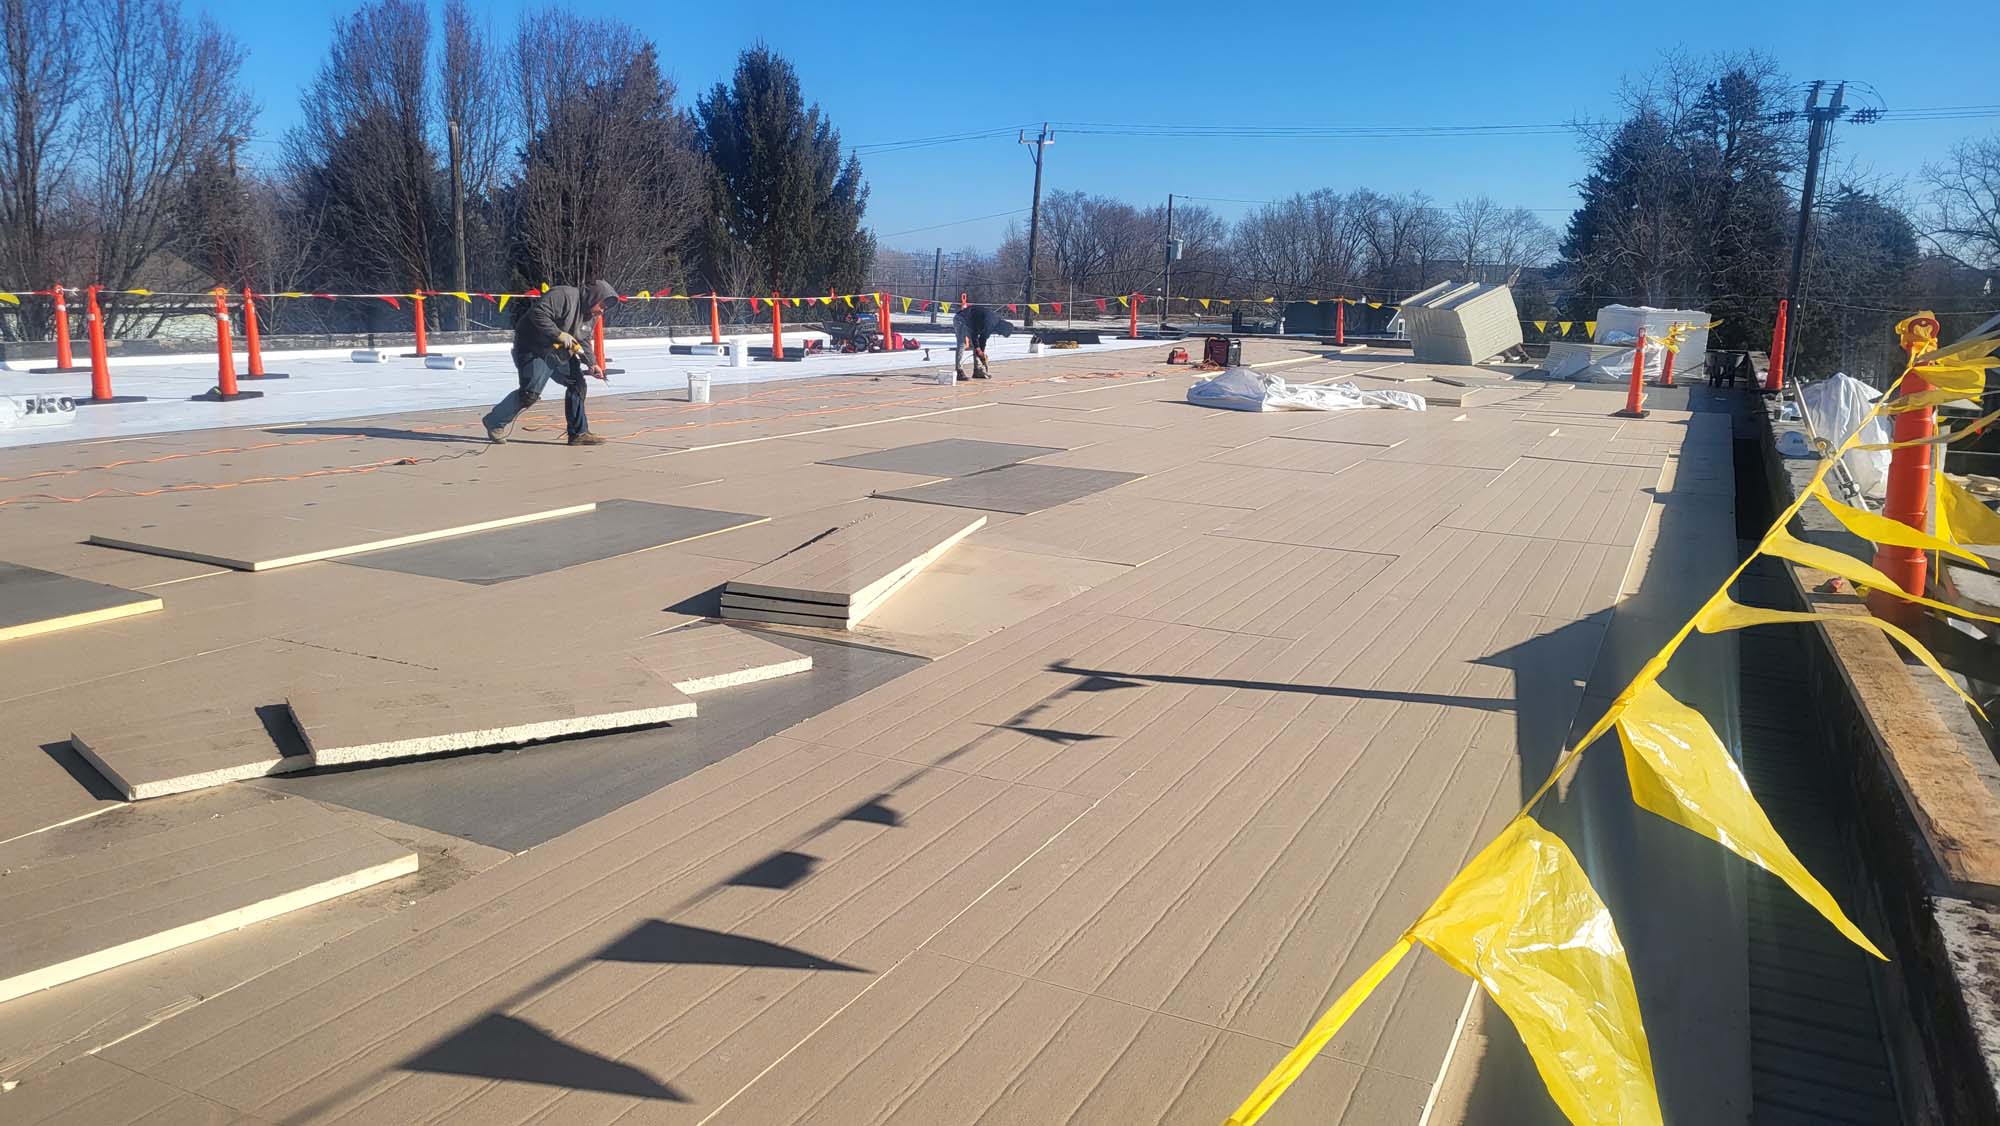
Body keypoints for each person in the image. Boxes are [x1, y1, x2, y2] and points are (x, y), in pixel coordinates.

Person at [484, 280, 616, 445]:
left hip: (558, 351)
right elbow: (538, 314)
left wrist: (592, 363)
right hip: (533, 347)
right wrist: (558, 334)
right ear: (593, 298)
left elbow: (584, 339)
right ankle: (494, 421)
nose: (602, 311)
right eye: (601, 306)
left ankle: (578, 434)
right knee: (529, 394)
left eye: (605, 308)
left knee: (577, 384)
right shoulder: (563, 295)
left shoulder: (592, 315)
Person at [951, 304, 1015, 380]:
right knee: (962, 343)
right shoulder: (990, 322)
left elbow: (983, 339)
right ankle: (959, 371)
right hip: (961, 319)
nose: (999, 334)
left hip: (970, 323)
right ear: (1002, 328)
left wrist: (982, 355)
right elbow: (974, 332)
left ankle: (977, 370)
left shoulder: (994, 324)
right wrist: (978, 350)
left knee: (977, 347)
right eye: (1001, 333)